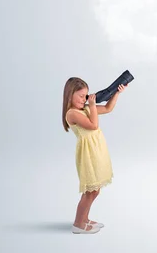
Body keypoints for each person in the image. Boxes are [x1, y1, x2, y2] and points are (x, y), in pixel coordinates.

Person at [62, 77, 127, 234]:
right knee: (90, 191)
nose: (84, 99)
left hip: (96, 150)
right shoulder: (72, 113)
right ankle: (78, 224)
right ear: (70, 95)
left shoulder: (84, 108)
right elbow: (93, 125)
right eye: (81, 96)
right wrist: (91, 104)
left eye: (86, 96)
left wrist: (117, 93)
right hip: (87, 154)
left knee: (95, 189)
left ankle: (84, 218)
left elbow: (108, 108)